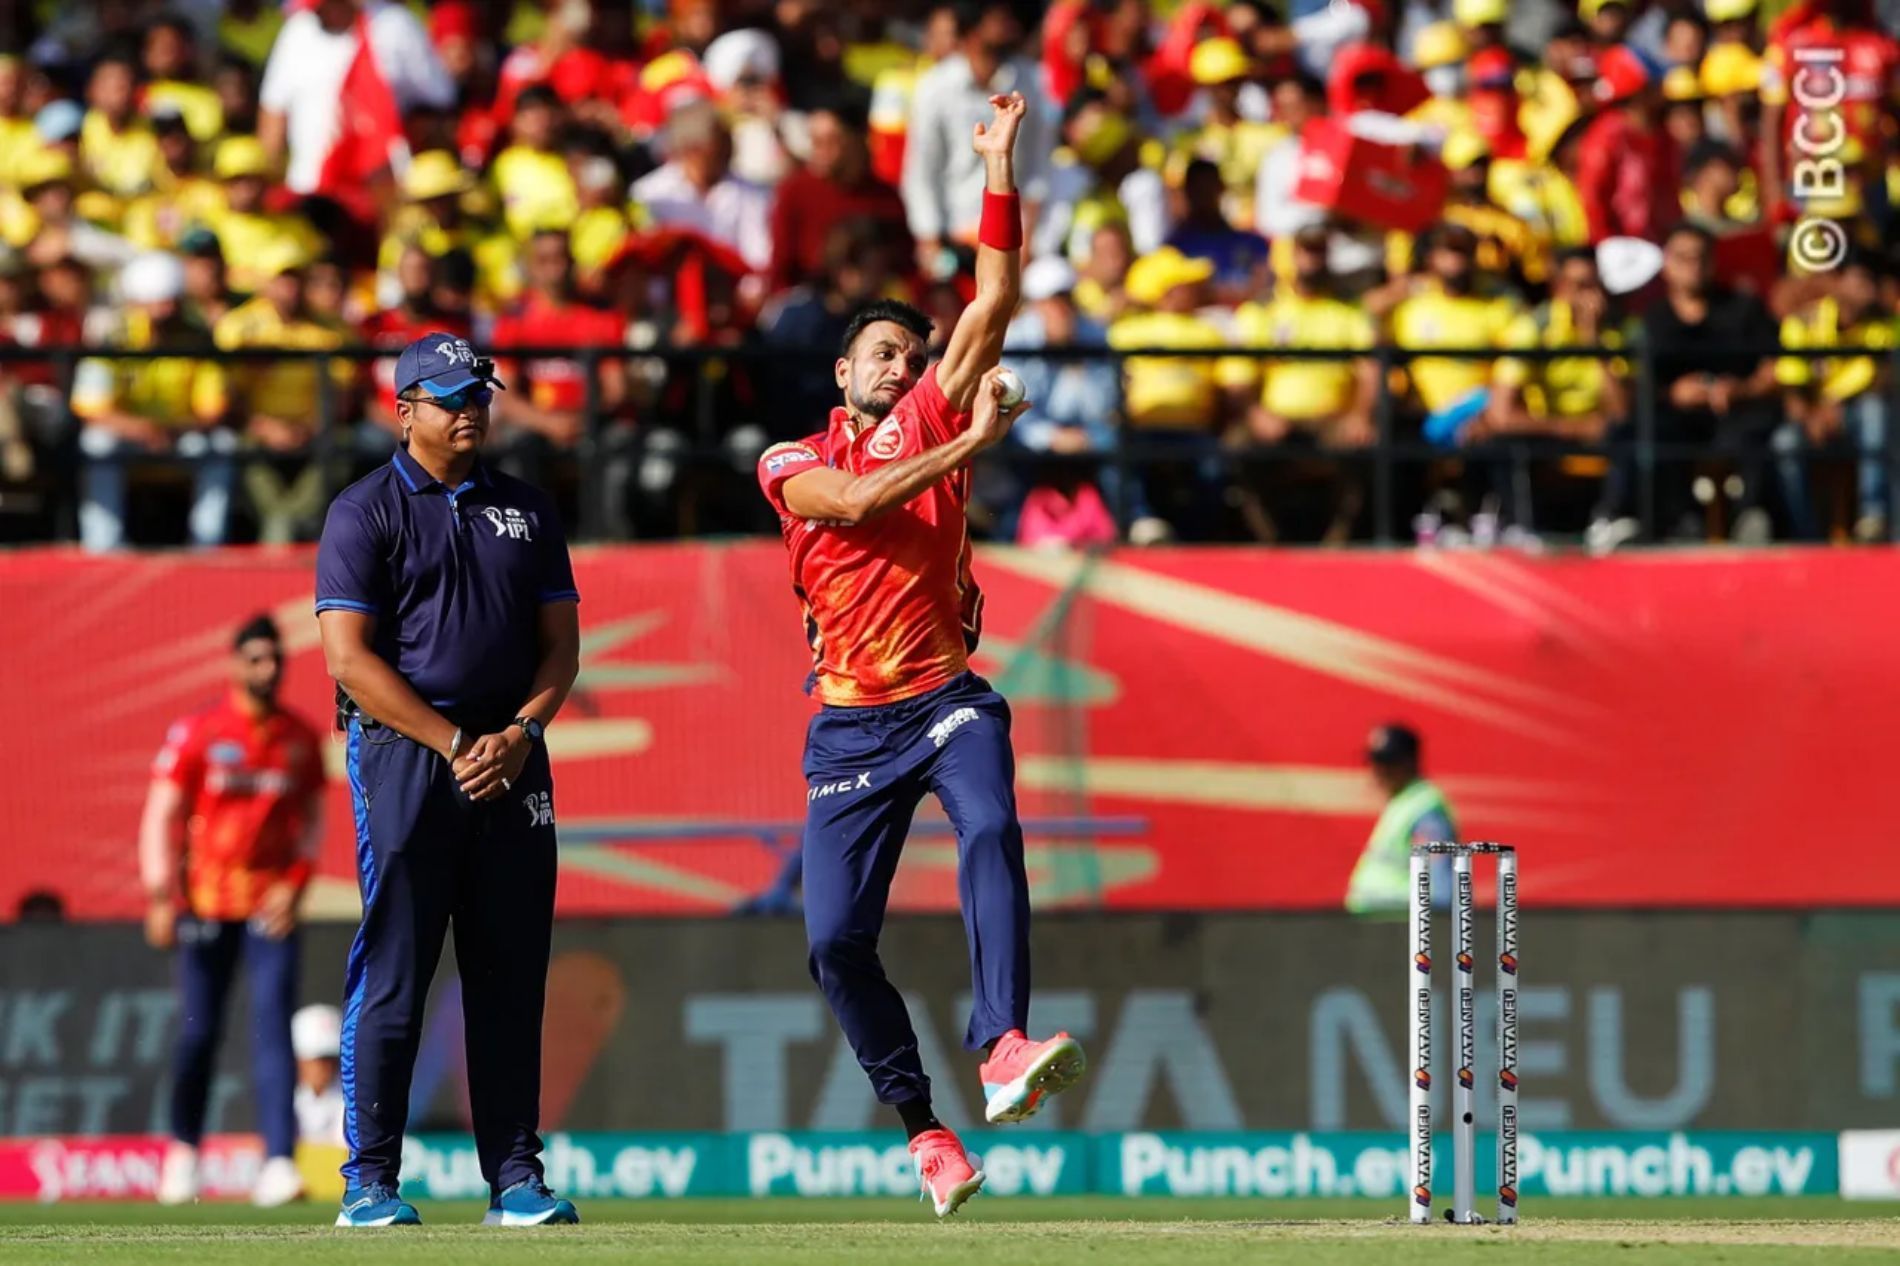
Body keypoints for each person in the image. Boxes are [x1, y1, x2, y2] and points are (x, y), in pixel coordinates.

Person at [754, 93, 1085, 1221]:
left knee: (992, 823)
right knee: (836, 946)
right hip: (849, 724)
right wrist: (968, 445)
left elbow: (994, 295)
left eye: (910, 352)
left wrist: (997, 166)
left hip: (944, 696)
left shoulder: (938, 412)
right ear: (843, 374)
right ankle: (925, 1131)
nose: (901, 365)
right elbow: (845, 505)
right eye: (880, 354)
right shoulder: (790, 454)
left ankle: (1000, 1044)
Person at [315, 333, 582, 1228]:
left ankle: (515, 1180)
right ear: (405, 410)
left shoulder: (530, 511)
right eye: (448, 396)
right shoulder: (364, 510)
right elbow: (349, 662)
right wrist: (456, 739)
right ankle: (370, 1185)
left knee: (510, 977)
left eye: (479, 393)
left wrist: (518, 732)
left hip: (513, 759)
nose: (469, 409)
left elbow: (560, 649)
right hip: (405, 758)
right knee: (396, 970)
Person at [140, 614, 325, 1208]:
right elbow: (162, 812)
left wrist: (296, 884)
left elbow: (314, 823)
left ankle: (277, 1164)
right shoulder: (199, 730)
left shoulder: (299, 736)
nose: (267, 670)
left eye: (275, 659)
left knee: (274, 1029)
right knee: (198, 1032)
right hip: (204, 902)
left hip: (268, 906)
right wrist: (159, 893)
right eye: (255, 660)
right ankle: (184, 1154)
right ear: (235, 664)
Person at [1345, 723, 1459, 914]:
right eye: (1374, 761)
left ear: (1410, 762)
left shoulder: (1425, 808)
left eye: (1387, 762)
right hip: (1383, 927)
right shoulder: (1403, 803)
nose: (1377, 770)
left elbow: (1440, 888)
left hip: (1400, 932)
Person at [292, 1004, 346, 1146]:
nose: (327, 1067)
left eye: (332, 1059)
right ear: (300, 1060)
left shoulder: (350, 1095)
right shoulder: (281, 1097)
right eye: (319, 1059)